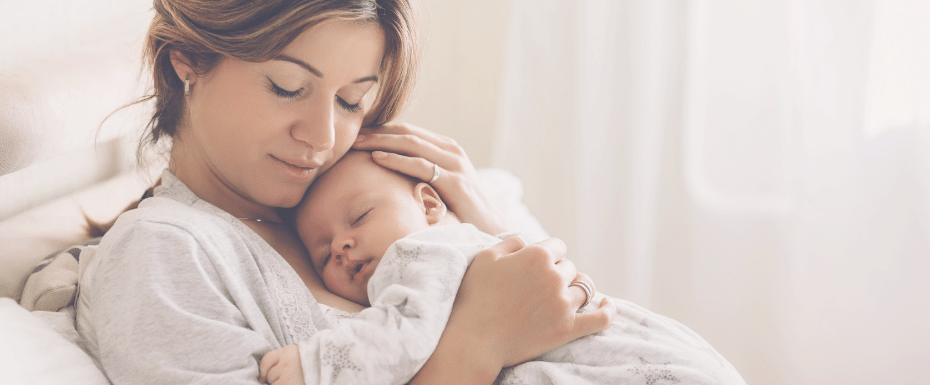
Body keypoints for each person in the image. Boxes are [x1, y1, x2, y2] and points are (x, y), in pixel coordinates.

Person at [75, 0, 614, 384]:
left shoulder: (357, 200)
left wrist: (484, 228)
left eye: (352, 101)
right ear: (187, 57)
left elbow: (576, 328)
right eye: (287, 88)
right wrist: (477, 343)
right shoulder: (163, 252)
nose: (323, 137)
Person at [258, 150, 747, 385]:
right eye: (323, 253)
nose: (341, 247)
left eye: (359, 218)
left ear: (430, 205)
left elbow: (398, 333)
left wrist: (314, 363)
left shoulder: (424, 253)